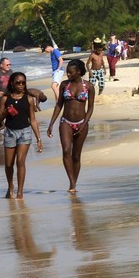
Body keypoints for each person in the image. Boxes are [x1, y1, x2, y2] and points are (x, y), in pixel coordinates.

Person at [47, 58, 95, 193]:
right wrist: (51, 123)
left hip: (82, 123)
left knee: (76, 155)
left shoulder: (89, 86)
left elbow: (90, 108)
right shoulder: (64, 85)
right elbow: (59, 104)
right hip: (66, 122)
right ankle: (72, 183)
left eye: (70, 73)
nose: (68, 75)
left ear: (79, 72)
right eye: (67, 72)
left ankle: (75, 181)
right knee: (66, 150)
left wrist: (84, 123)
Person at [0, 71, 43, 198]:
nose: (21, 85)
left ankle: (20, 192)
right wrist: (6, 112)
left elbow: (33, 119)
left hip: (25, 132)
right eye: (18, 82)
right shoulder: (5, 99)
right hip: (10, 132)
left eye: (23, 82)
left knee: (20, 161)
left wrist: (39, 138)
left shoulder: (28, 99)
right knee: (8, 164)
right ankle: (10, 186)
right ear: (12, 83)